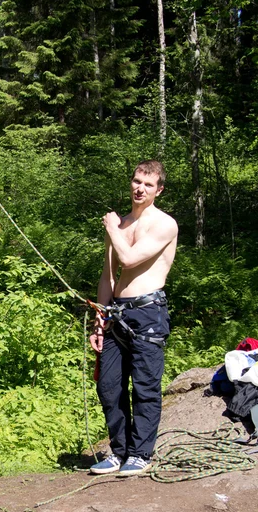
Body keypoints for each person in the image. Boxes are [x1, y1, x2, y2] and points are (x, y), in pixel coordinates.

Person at [89, 159, 178, 476]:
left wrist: (113, 229)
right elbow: (107, 276)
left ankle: (140, 453)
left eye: (149, 184)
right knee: (109, 387)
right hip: (116, 314)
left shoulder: (164, 225)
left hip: (148, 313)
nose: (141, 188)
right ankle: (119, 451)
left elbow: (128, 258)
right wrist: (100, 319)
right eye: (137, 181)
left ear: (159, 190)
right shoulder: (121, 223)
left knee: (145, 388)